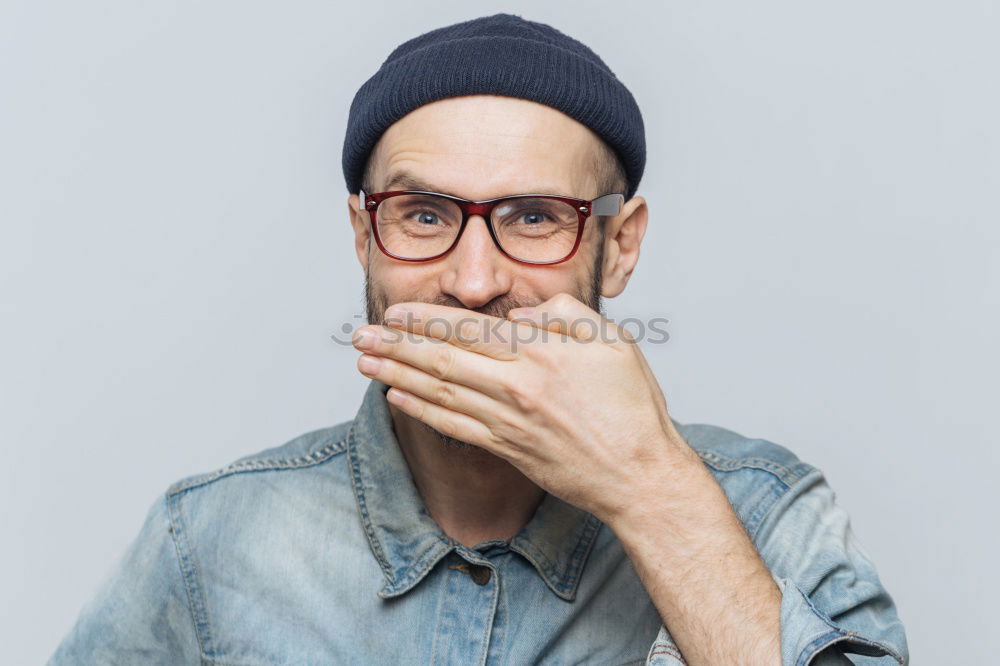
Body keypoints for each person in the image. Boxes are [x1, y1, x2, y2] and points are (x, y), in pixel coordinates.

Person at [50, 13, 908, 665]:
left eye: (534, 218)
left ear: (623, 244)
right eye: (422, 215)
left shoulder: (769, 513)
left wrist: (649, 490)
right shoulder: (208, 538)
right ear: (362, 236)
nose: (471, 281)